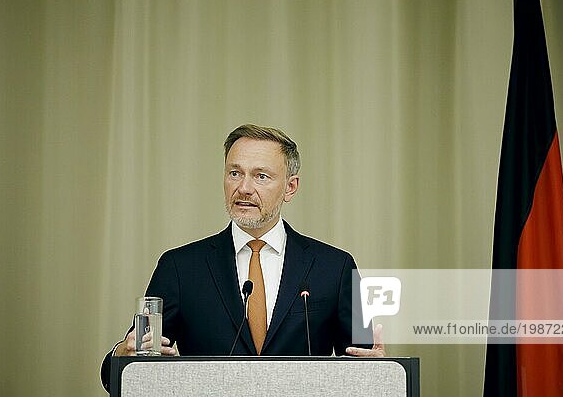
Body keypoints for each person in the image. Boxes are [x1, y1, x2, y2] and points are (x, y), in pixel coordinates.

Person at [100, 124, 384, 392]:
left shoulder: (336, 267)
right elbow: (125, 370)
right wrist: (121, 356)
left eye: (261, 176)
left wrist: (379, 370)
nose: (244, 188)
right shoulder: (179, 267)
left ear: (290, 187)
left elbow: (366, 369)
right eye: (235, 173)